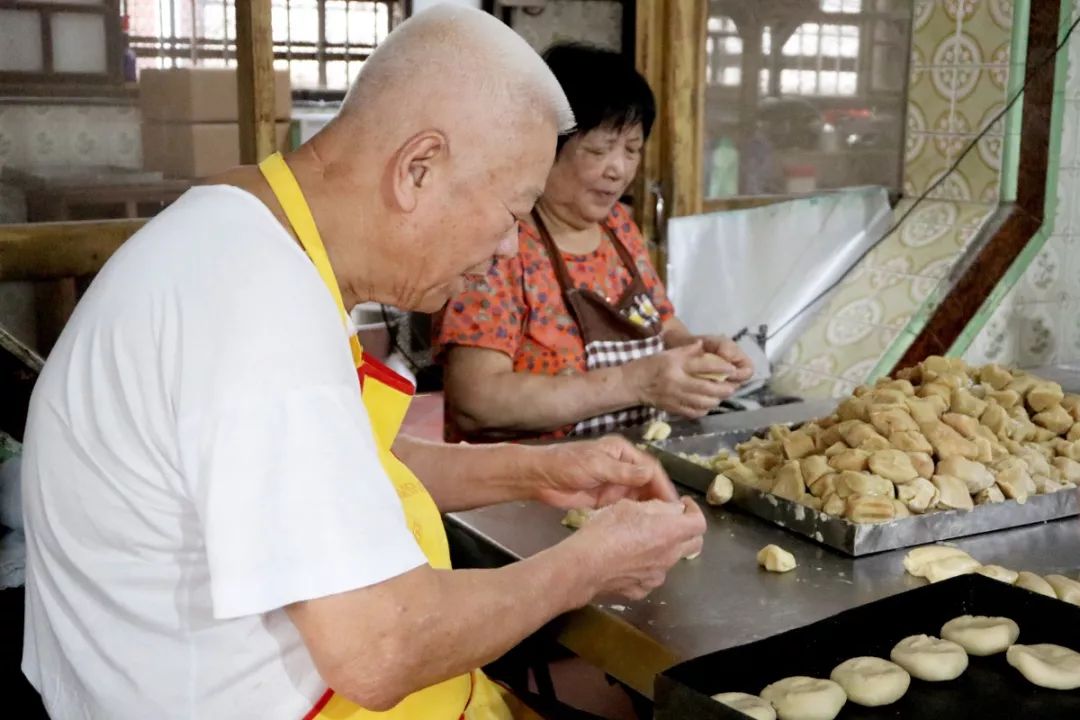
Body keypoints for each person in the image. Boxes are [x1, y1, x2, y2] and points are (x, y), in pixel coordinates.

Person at [20, 8, 706, 720]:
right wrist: (589, 565)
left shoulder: (246, 235)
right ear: (418, 169)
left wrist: (538, 470)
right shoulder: (253, 304)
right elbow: (382, 648)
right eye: (513, 213)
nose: (510, 247)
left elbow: (345, 466)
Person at [436, 44, 754, 444]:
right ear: (544, 146)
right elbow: (476, 401)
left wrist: (697, 355)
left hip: (627, 463)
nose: (618, 169)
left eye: (632, 150)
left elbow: (662, 323)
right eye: (598, 150)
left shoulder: (618, 227)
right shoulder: (499, 244)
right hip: (528, 476)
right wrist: (633, 383)